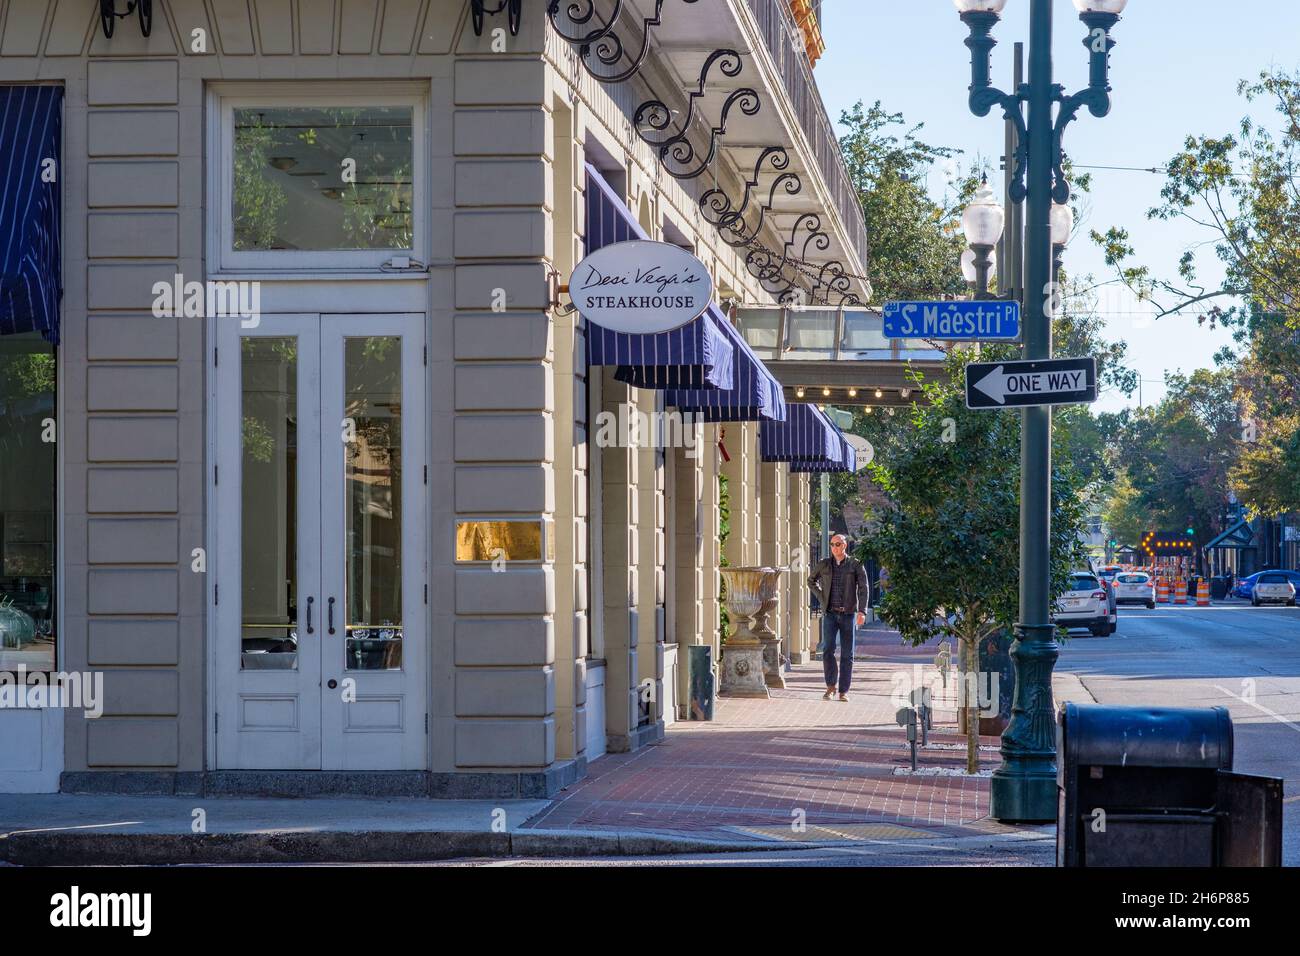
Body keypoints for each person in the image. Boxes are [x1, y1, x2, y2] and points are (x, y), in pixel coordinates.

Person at [808, 534, 869, 701]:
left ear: (845, 546)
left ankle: (843, 691)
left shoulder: (855, 565)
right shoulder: (824, 564)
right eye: (832, 544)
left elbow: (864, 588)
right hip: (830, 614)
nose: (835, 547)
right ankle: (830, 686)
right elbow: (811, 581)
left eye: (838, 544)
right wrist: (822, 598)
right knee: (827, 649)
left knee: (847, 654)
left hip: (848, 614)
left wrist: (862, 611)